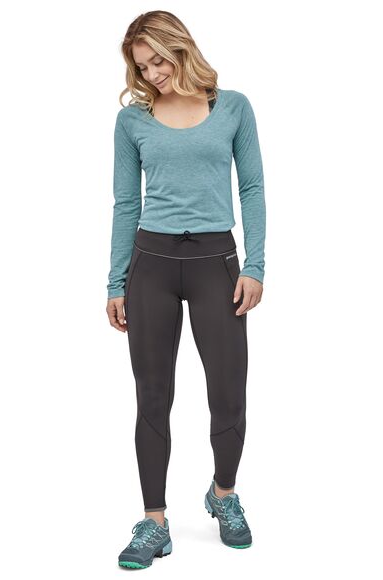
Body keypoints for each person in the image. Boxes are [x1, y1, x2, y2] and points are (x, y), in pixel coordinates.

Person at [105, 11, 266, 569]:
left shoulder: (234, 108)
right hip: (150, 264)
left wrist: (255, 266)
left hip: (216, 263)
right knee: (152, 395)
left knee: (228, 390)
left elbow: (252, 187)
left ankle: (224, 494)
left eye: (159, 61)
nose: (152, 74)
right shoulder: (132, 121)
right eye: (142, 67)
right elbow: (126, 203)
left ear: (181, 49)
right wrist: (116, 280)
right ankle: (154, 522)